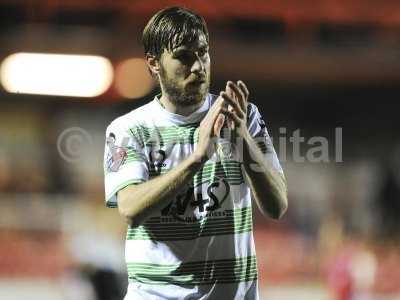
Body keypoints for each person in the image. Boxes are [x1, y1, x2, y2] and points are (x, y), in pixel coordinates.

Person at [103, 6, 288, 300]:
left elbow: (277, 205)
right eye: (184, 57)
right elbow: (130, 208)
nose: (199, 67)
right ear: (154, 64)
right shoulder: (129, 129)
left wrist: (240, 136)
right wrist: (196, 158)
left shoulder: (244, 115)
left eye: (203, 53)